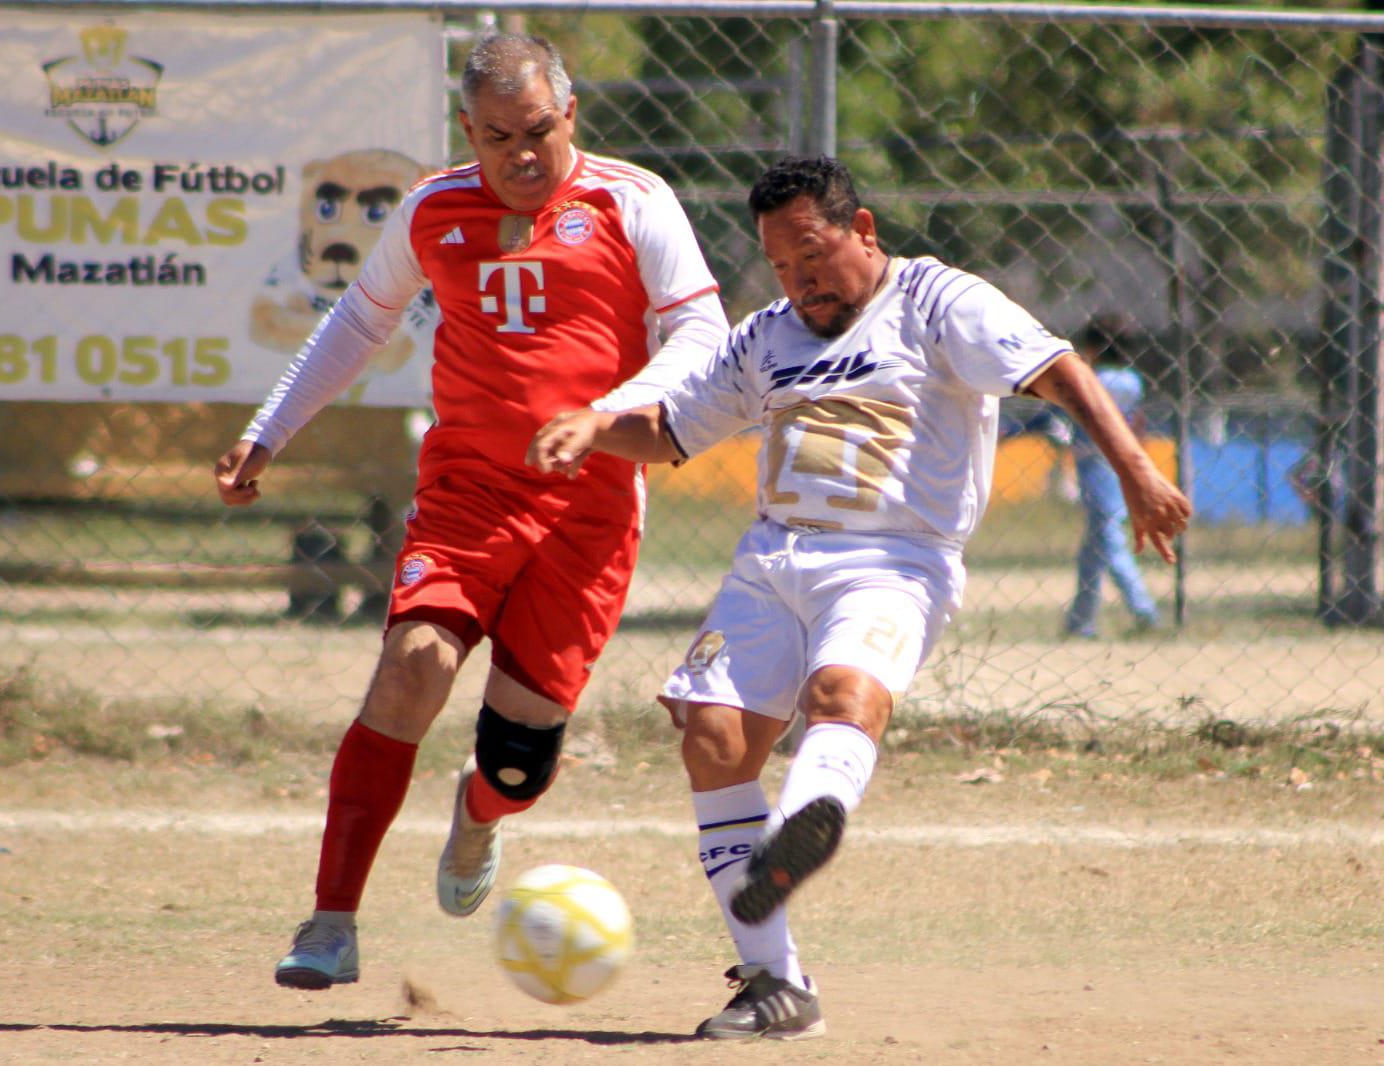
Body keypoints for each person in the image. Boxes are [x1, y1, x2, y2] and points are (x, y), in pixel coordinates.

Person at [528, 156, 1191, 1039]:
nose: (802, 285)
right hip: (772, 558)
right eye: (783, 269)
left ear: (863, 230)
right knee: (712, 739)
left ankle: (804, 826)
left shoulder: (937, 301)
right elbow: (676, 427)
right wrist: (598, 425)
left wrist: (1138, 472)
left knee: (841, 696)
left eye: (814, 258)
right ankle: (776, 984)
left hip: (893, 560)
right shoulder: (766, 336)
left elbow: (1061, 369)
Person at [213, 33, 728, 991]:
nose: (522, 154)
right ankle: (330, 920)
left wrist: (606, 413)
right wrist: (268, 431)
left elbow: (702, 329)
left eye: (539, 130)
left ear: (570, 116)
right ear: (469, 131)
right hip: (468, 494)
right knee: (412, 667)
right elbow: (359, 321)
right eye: (499, 137)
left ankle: (480, 813)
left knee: (519, 765)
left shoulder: (633, 199)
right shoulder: (432, 208)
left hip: (590, 509)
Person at [1058, 315, 1161, 638]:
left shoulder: (1093, 379)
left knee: (1109, 539)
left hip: (1096, 465)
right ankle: (1080, 621)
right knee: (1093, 548)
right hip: (1121, 462)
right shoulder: (1132, 381)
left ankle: (1145, 611)